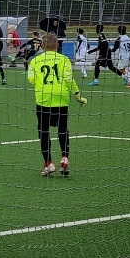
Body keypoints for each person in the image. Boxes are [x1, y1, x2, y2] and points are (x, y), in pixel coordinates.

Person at [28, 32, 87, 177]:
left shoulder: (35, 61)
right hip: (61, 99)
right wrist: (78, 97)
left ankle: (48, 163)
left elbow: (31, 79)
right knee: (63, 129)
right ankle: (65, 157)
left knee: (43, 131)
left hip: (43, 100)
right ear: (58, 45)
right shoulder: (64, 59)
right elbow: (69, 79)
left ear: (42, 46)